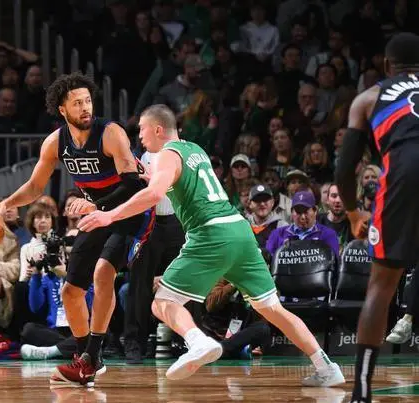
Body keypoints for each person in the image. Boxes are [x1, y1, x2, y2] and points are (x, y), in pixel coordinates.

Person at [78, 104, 344, 388]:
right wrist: (149, 176)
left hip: (211, 232)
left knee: (163, 302)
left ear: (157, 129)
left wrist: (109, 215)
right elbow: (173, 179)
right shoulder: (194, 149)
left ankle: (197, 341)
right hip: (239, 230)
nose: (139, 136)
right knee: (273, 309)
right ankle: (326, 367)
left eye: (142, 129)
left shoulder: (167, 154)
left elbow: (155, 194)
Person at [0, 72, 152, 387]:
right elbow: (35, 186)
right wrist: (4, 204)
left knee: (103, 273)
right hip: (96, 213)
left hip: (130, 212)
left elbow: (131, 184)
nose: (85, 108)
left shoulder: (111, 133)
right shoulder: (55, 143)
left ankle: (92, 356)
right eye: (77, 103)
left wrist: (96, 206)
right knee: (71, 291)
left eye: (88, 101)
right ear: (62, 109)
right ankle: (86, 357)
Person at [334, 32, 419, 403]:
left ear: (386, 66)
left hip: (403, 175)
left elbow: (345, 167)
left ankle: (361, 401)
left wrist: (353, 212)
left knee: (381, 289)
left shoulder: (370, 97)